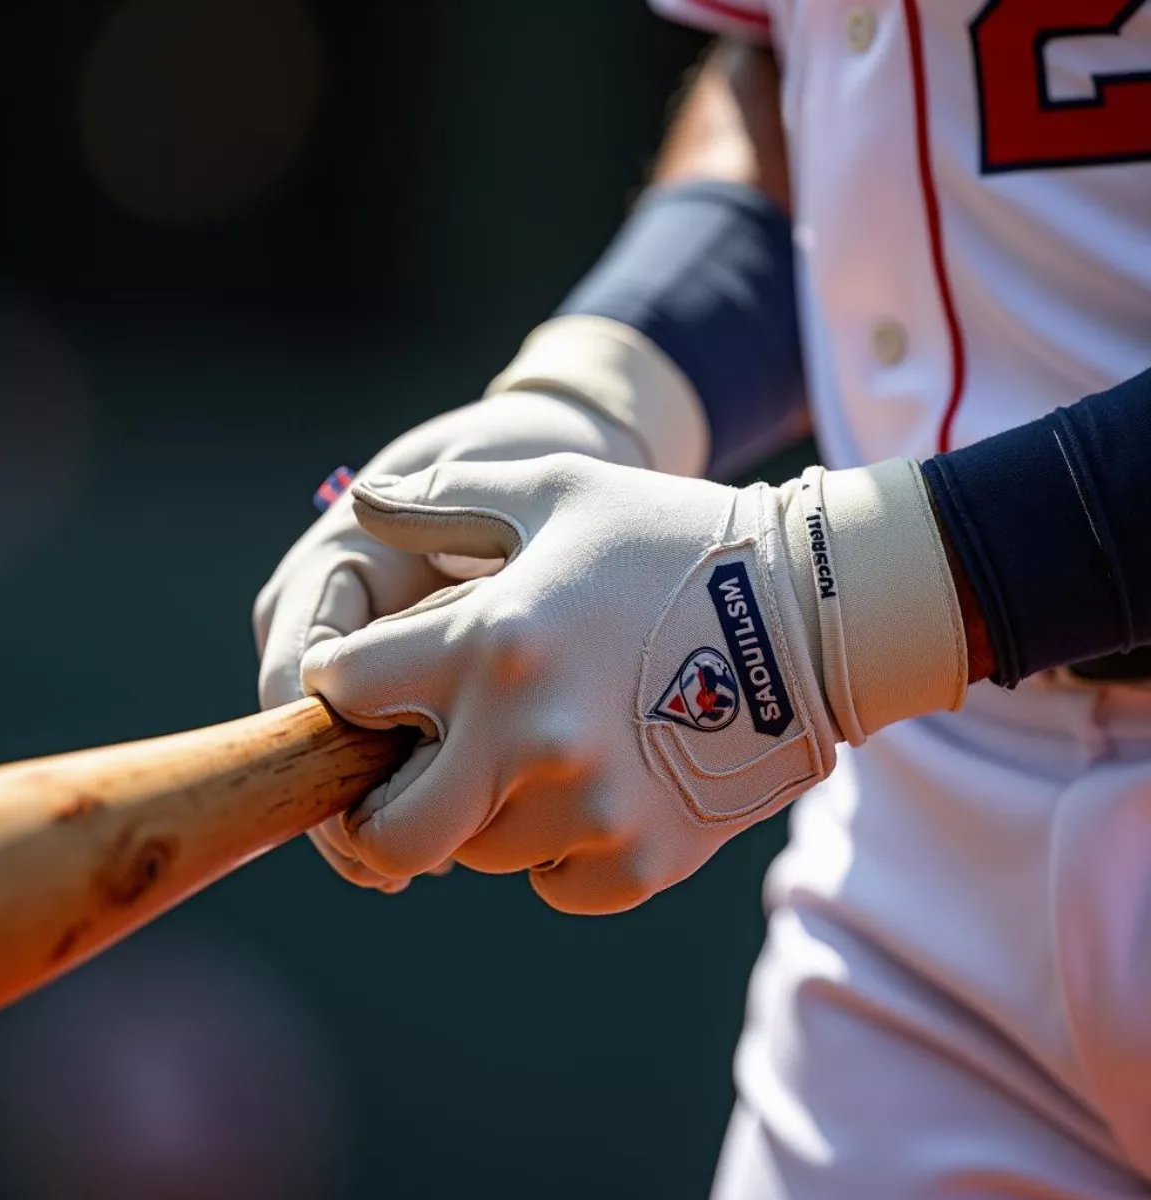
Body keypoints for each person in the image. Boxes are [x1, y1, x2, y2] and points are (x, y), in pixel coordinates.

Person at [255, 2, 1151, 1194]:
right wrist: (604, 386)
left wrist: (837, 604)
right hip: (927, 842)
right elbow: (828, 78)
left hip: (900, 668)